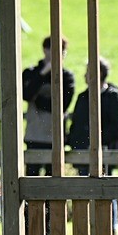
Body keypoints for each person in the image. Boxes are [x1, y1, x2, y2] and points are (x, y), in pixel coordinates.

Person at [21, 35, 75, 176]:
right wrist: (43, 72)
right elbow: (25, 94)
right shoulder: (30, 73)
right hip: (35, 132)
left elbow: (63, 105)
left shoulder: (67, 76)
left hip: (55, 134)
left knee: (54, 176)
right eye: (55, 49)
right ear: (45, 50)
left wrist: (38, 101)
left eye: (62, 50)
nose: (59, 53)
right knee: (31, 174)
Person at [66, 57, 118, 177]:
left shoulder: (112, 98)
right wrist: (74, 141)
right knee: (82, 188)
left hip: (105, 152)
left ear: (98, 73)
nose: (85, 75)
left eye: (88, 71)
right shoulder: (83, 97)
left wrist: (97, 140)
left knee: (104, 187)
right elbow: (76, 124)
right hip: (83, 152)